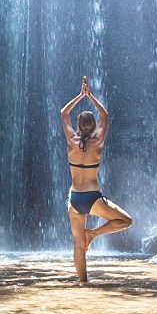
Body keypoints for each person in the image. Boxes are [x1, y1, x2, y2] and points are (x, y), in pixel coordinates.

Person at [60, 75, 132, 284]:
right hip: (93, 198)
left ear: (79, 126)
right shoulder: (98, 142)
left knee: (77, 244)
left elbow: (63, 113)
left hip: (74, 198)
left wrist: (79, 96)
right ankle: (93, 234)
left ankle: (83, 284)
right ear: (93, 127)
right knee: (126, 221)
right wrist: (90, 96)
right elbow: (105, 114)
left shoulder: (72, 142)